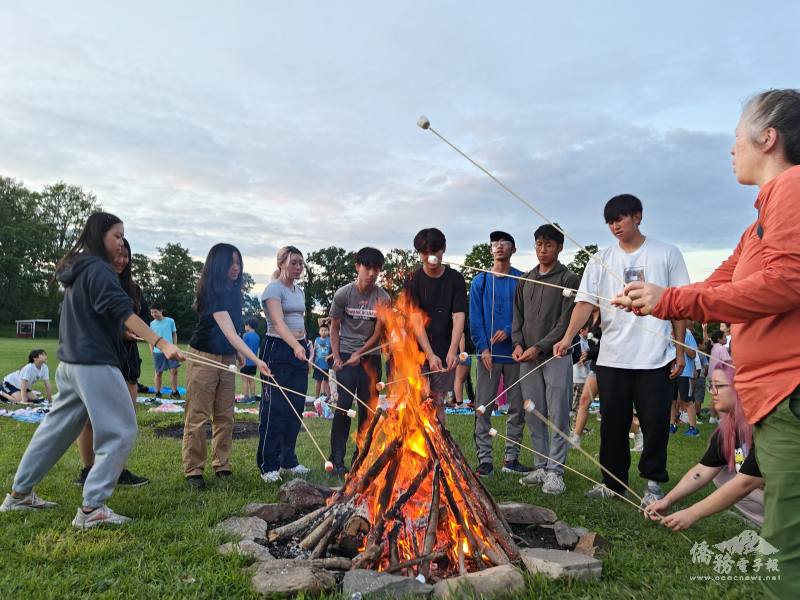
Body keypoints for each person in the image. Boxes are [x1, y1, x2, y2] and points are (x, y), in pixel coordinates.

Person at [615, 89, 800, 597]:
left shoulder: (794, 187)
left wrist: (669, 297)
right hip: (774, 398)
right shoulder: (756, 224)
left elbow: (788, 282)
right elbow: (717, 286)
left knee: (786, 545)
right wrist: (655, 300)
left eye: (736, 134)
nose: (730, 148)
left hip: (791, 391)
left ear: (768, 138)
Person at [0, 212, 183, 528]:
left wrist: (123, 333)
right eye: (116, 235)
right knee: (121, 430)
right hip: (94, 364)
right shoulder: (98, 269)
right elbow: (125, 311)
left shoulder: (79, 268)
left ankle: (19, 495)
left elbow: (96, 316)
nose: (121, 242)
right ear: (99, 236)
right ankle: (91, 509)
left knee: (54, 431)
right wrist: (162, 343)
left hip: (70, 365)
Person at [554, 193, 690, 507]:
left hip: (655, 357)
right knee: (612, 423)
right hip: (613, 358)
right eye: (610, 221)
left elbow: (679, 306)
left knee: (655, 424)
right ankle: (612, 483)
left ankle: (654, 485)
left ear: (638, 217)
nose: (615, 226)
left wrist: (680, 351)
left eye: (621, 218)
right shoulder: (600, 259)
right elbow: (585, 303)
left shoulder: (666, 254)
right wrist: (567, 338)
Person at [183, 243, 270, 489]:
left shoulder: (234, 292)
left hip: (227, 358)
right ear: (218, 265)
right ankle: (194, 470)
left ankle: (222, 464)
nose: (236, 267)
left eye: (238, 262)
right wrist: (256, 359)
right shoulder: (211, 292)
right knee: (198, 415)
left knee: (225, 415)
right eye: (231, 263)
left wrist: (237, 354)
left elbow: (232, 333)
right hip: (204, 357)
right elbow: (231, 333)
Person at [645, 363, 763, 529]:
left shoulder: (764, 427)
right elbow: (701, 472)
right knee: (722, 474)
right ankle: (767, 523)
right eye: (711, 386)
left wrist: (692, 513)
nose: (712, 392)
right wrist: (667, 501)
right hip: (772, 493)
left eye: (719, 386)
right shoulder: (728, 429)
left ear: (740, 387)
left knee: (739, 482)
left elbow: (746, 483)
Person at [75, 238, 150, 487]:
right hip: (97, 356)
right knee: (88, 418)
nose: (121, 260)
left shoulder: (134, 290)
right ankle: (88, 470)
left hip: (126, 358)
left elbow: (142, 320)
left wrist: (141, 334)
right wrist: (119, 332)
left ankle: (116, 469)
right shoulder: (93, 283)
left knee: (124, 417)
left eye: (125, 256)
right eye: (117, 255)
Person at [513, 225, 580, 495]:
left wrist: (540, 347)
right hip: (526, 357)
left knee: (557, 413)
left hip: (555, 355)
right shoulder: (526, 280)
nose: (543, 250)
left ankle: (556, 471)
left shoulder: (569, 279)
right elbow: (517, 317)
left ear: (560, 247)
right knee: (534, 411)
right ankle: (540, 465)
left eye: (549, 245)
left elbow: (566, 322)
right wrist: (518, 343)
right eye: (539, 244)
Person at [469, 230, 527, 478]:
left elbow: (526, 315)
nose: (499, 246)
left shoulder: (522, 280)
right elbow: (475, 317)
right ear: (491, 249)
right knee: (484, 406)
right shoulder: (480, 281)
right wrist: (482, 347)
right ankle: (485, 459)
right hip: (488, 357)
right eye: (495, 243)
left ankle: (511, 458)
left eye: (504, 243)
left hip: (514, 354)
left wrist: (509, 332)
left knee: (517, 407)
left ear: (513, 249)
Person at [328, 247, 390, 476]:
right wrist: (336, 356)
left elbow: (377, 333)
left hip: (370, 358)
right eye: (367, 268)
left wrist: (360, 354)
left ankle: (361, 459)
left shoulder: (382, 297)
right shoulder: (343, 294)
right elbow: (335, 327)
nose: (372, 273)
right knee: (343, 407)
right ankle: (337, 459)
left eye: (376, 269)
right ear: (358, 266)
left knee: (367, 411)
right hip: (344, 354)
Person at [258, 246, 310, 483]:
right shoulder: (273, 290)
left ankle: (288, 460)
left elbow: (299, 320)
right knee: (276, 409)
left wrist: (305, 345)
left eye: (301, 263)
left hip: (299, 350)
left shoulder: (299, 291)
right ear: (281, 263)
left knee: (296, 407)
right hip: (277, 350)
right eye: (294, 262)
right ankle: (268, 465)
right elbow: (278, 324)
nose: (298, 267)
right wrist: (295, 346)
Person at [404, 228, 467, 424]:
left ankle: (440, 445)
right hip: (417, 348)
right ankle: (417, 448)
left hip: (445, 345)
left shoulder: (455, 279)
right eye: (424, 253)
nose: (430, 257)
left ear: (444, 249)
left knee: (439, 399)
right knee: (419, 398)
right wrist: (429, 354)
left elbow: (458, 317)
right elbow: (416, 320)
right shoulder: (413, 280)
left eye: (435, 252)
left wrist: (452, 350)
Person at [668, 328, 698, 436]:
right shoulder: (667, 335)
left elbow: (693, 354)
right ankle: (671, 425)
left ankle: (693, 427)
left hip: (685, 373)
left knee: (687, 401)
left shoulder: (688, 335)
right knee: (672, 400)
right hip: (672, 372)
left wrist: (680, 343)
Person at [149, 303, 180, 400]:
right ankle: (158, 392)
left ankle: (174, 392)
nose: (154, 314)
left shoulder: (170, 321)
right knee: (158, 373)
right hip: (158, 352)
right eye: (152, 312)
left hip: (170, 351)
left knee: (174, 371)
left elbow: (174, 334)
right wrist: (152, 351)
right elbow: (150, 339)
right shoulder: (152, 324)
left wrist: (174, 346)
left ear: (161, 311)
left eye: (155, 312)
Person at [241, 318, 262, 402]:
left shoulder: (245, 336)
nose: (244, 327)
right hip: (254, 362)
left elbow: (242, 348)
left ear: (248, 325)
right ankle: (253, 397)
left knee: (245, 380)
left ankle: (245, 397)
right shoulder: (257, 337)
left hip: (245, 362)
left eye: (245, 325)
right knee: (252, 379)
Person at [312, 324, 332, 400]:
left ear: (328, 331)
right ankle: (316, 396)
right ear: (319, 331)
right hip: (318, 364)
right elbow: (313, 351)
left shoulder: (330, 340)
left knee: (327, 381)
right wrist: (313, 361)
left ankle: (328, 396)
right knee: (318, 381)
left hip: (327, 365)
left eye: (325, 330)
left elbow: (333, 352)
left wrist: (329, 357)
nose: (324, 332)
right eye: (322, 330)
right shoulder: (316, 340)